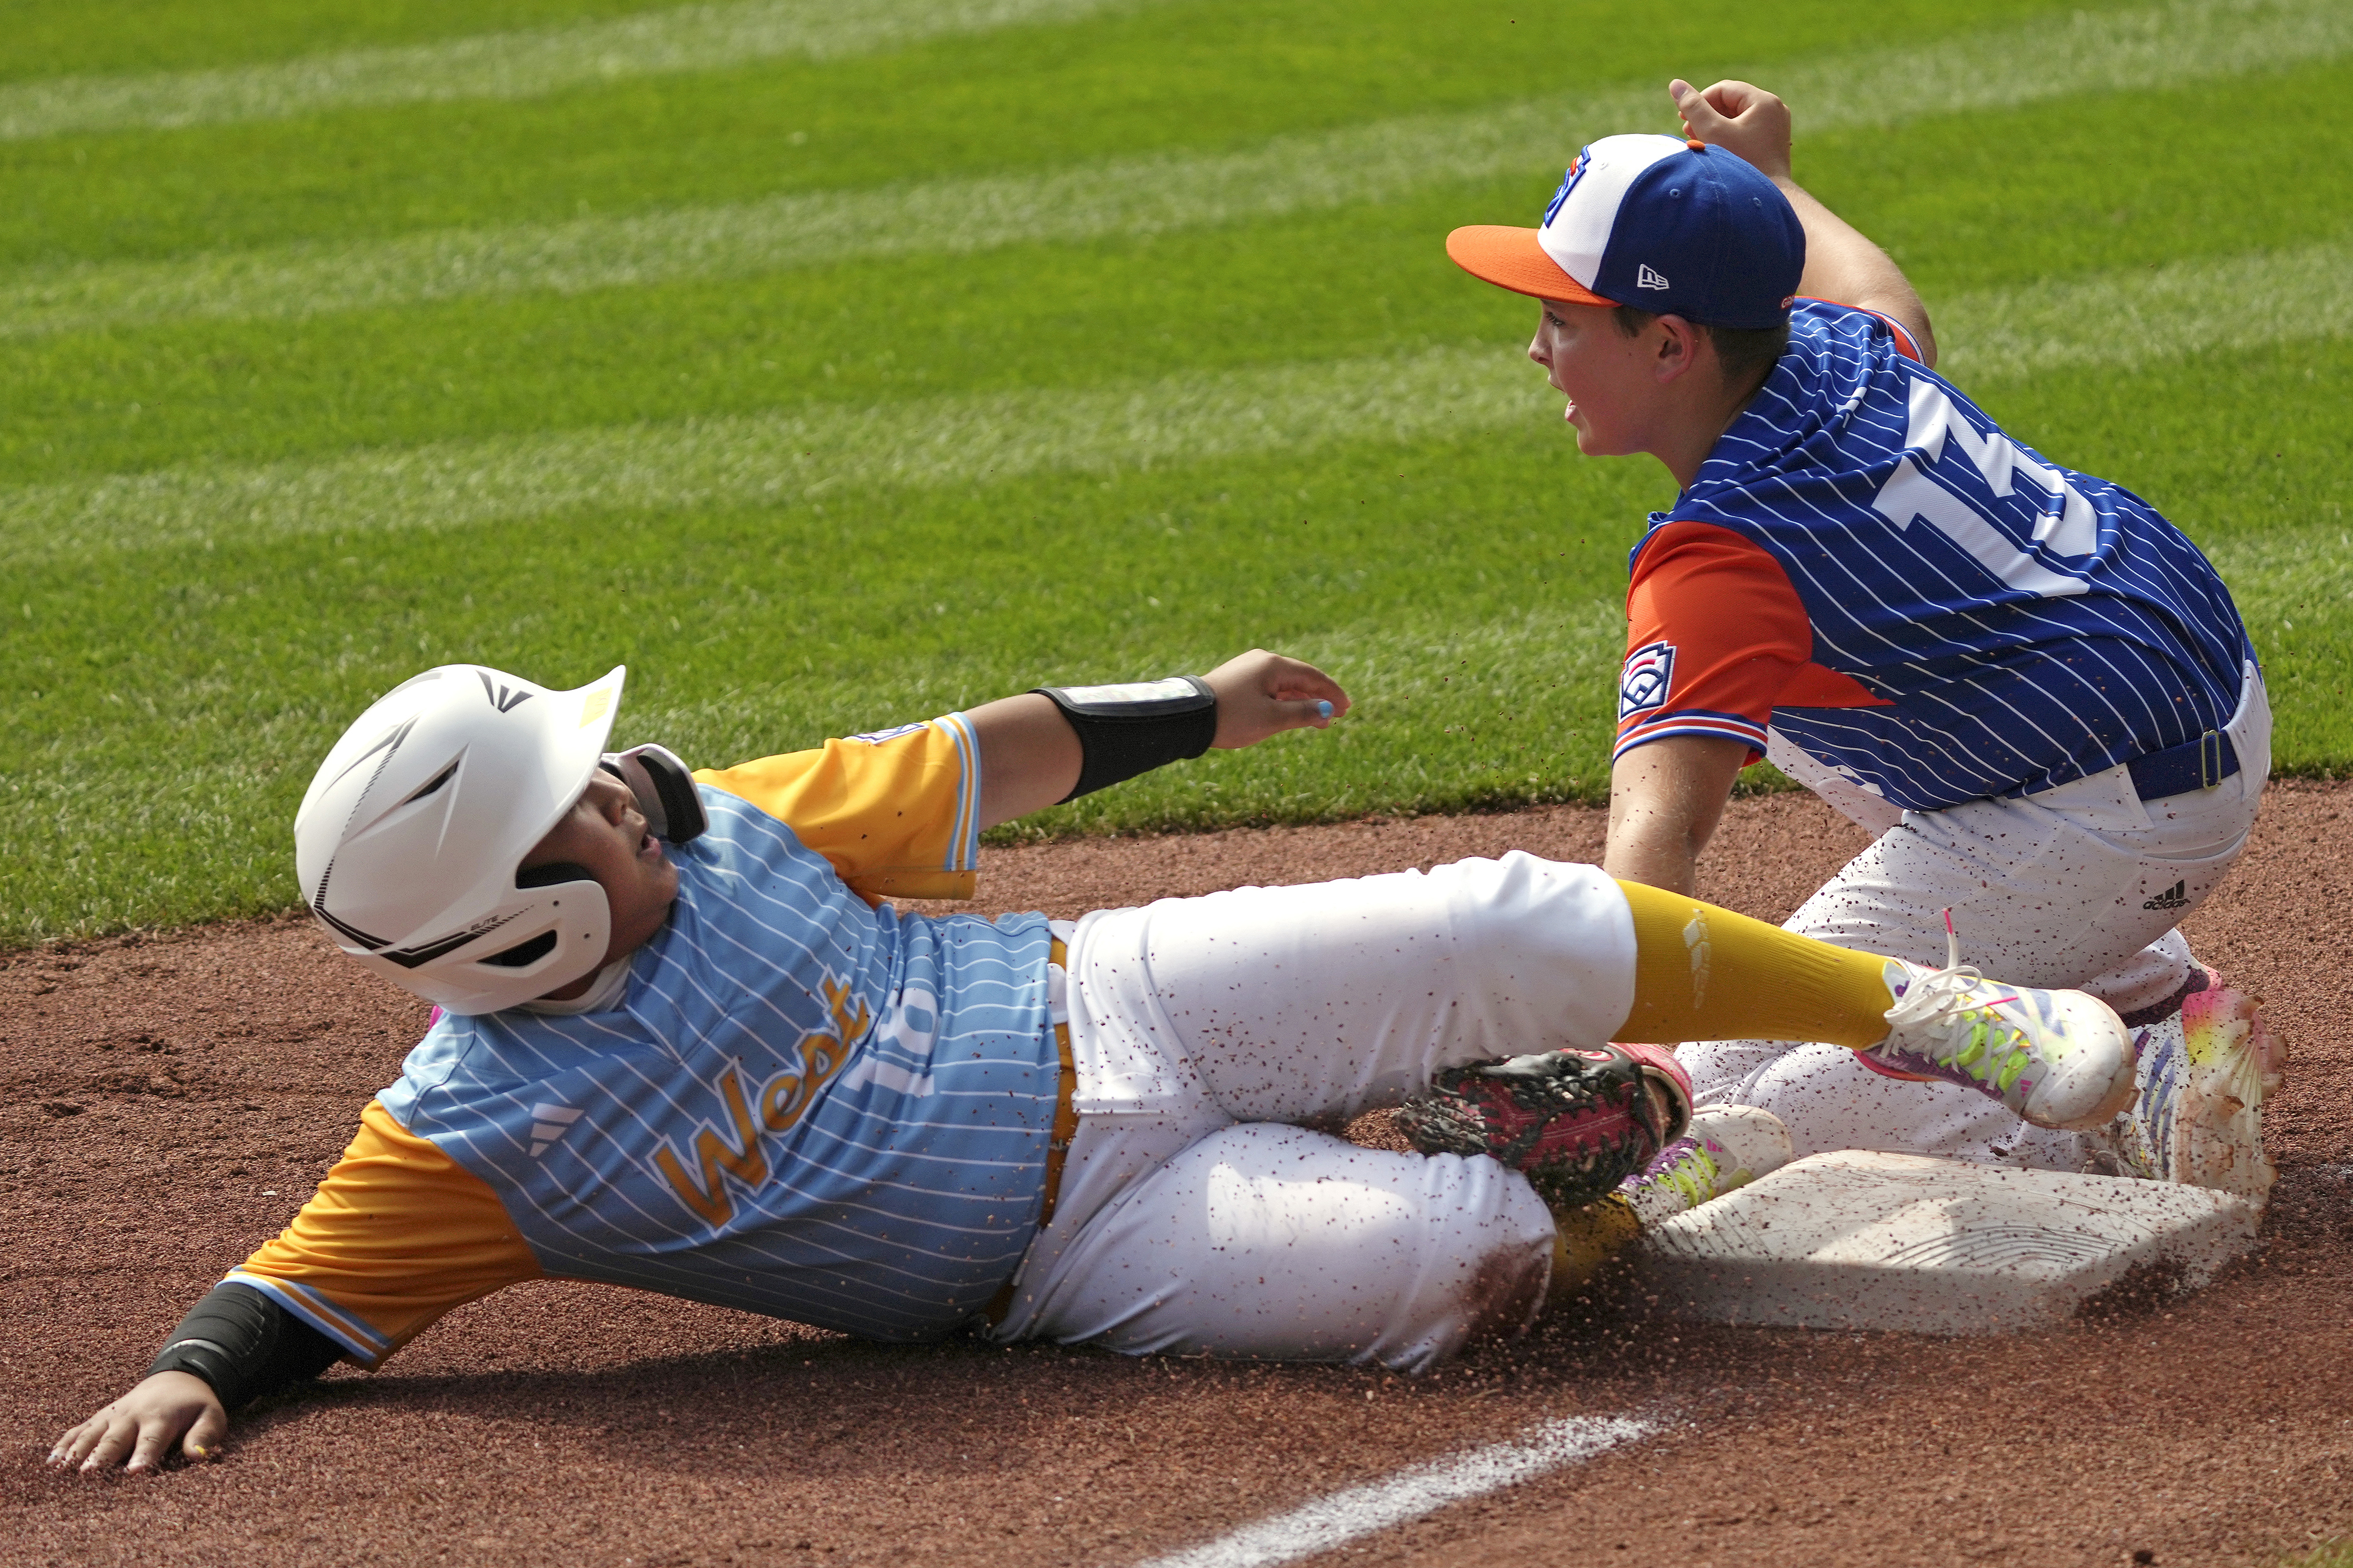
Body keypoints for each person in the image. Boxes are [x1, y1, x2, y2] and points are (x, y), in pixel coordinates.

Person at [54, 650, 2138, 1473]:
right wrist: (194, 1369)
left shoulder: (736, 820)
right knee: (1472, 1258)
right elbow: (296, 1286)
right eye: (567, 802)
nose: (617, 779)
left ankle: (1946, 1018)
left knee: (1501, 914)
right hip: (1076, 1250)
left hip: (1116, 997)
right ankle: (1625, 1146)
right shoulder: (474, 1136)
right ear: (508, 922)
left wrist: (1207, 708)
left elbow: (986, 754)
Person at [1441, 78, 2281, 1192]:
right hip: (2200, 680)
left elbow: (1654, 851)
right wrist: (1780, 179)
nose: (1535, 349)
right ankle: (2149, 988)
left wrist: (1630, 1060)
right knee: (1791, 694)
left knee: (1733, 1098)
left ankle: (2133, 1099)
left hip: (2105, 802)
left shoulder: (1718, 560)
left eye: (1562, 319)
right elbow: (1885, 292)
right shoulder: (1836, 348)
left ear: (1672, 347)